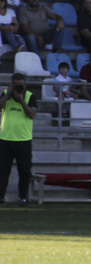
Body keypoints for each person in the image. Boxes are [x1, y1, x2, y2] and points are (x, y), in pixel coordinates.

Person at [0, 73, 36, 206]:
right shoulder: (5, 93)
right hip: (6, 138)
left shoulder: (29, 96)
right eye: (16, 85)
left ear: (25, 84)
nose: (19, 87)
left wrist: (21, 101)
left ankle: (23, 197)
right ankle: (1, 197)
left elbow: (32, 114)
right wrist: (8, 94)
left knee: (25, 171)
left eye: (21, 85)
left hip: (24, 139)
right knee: (3, 170)